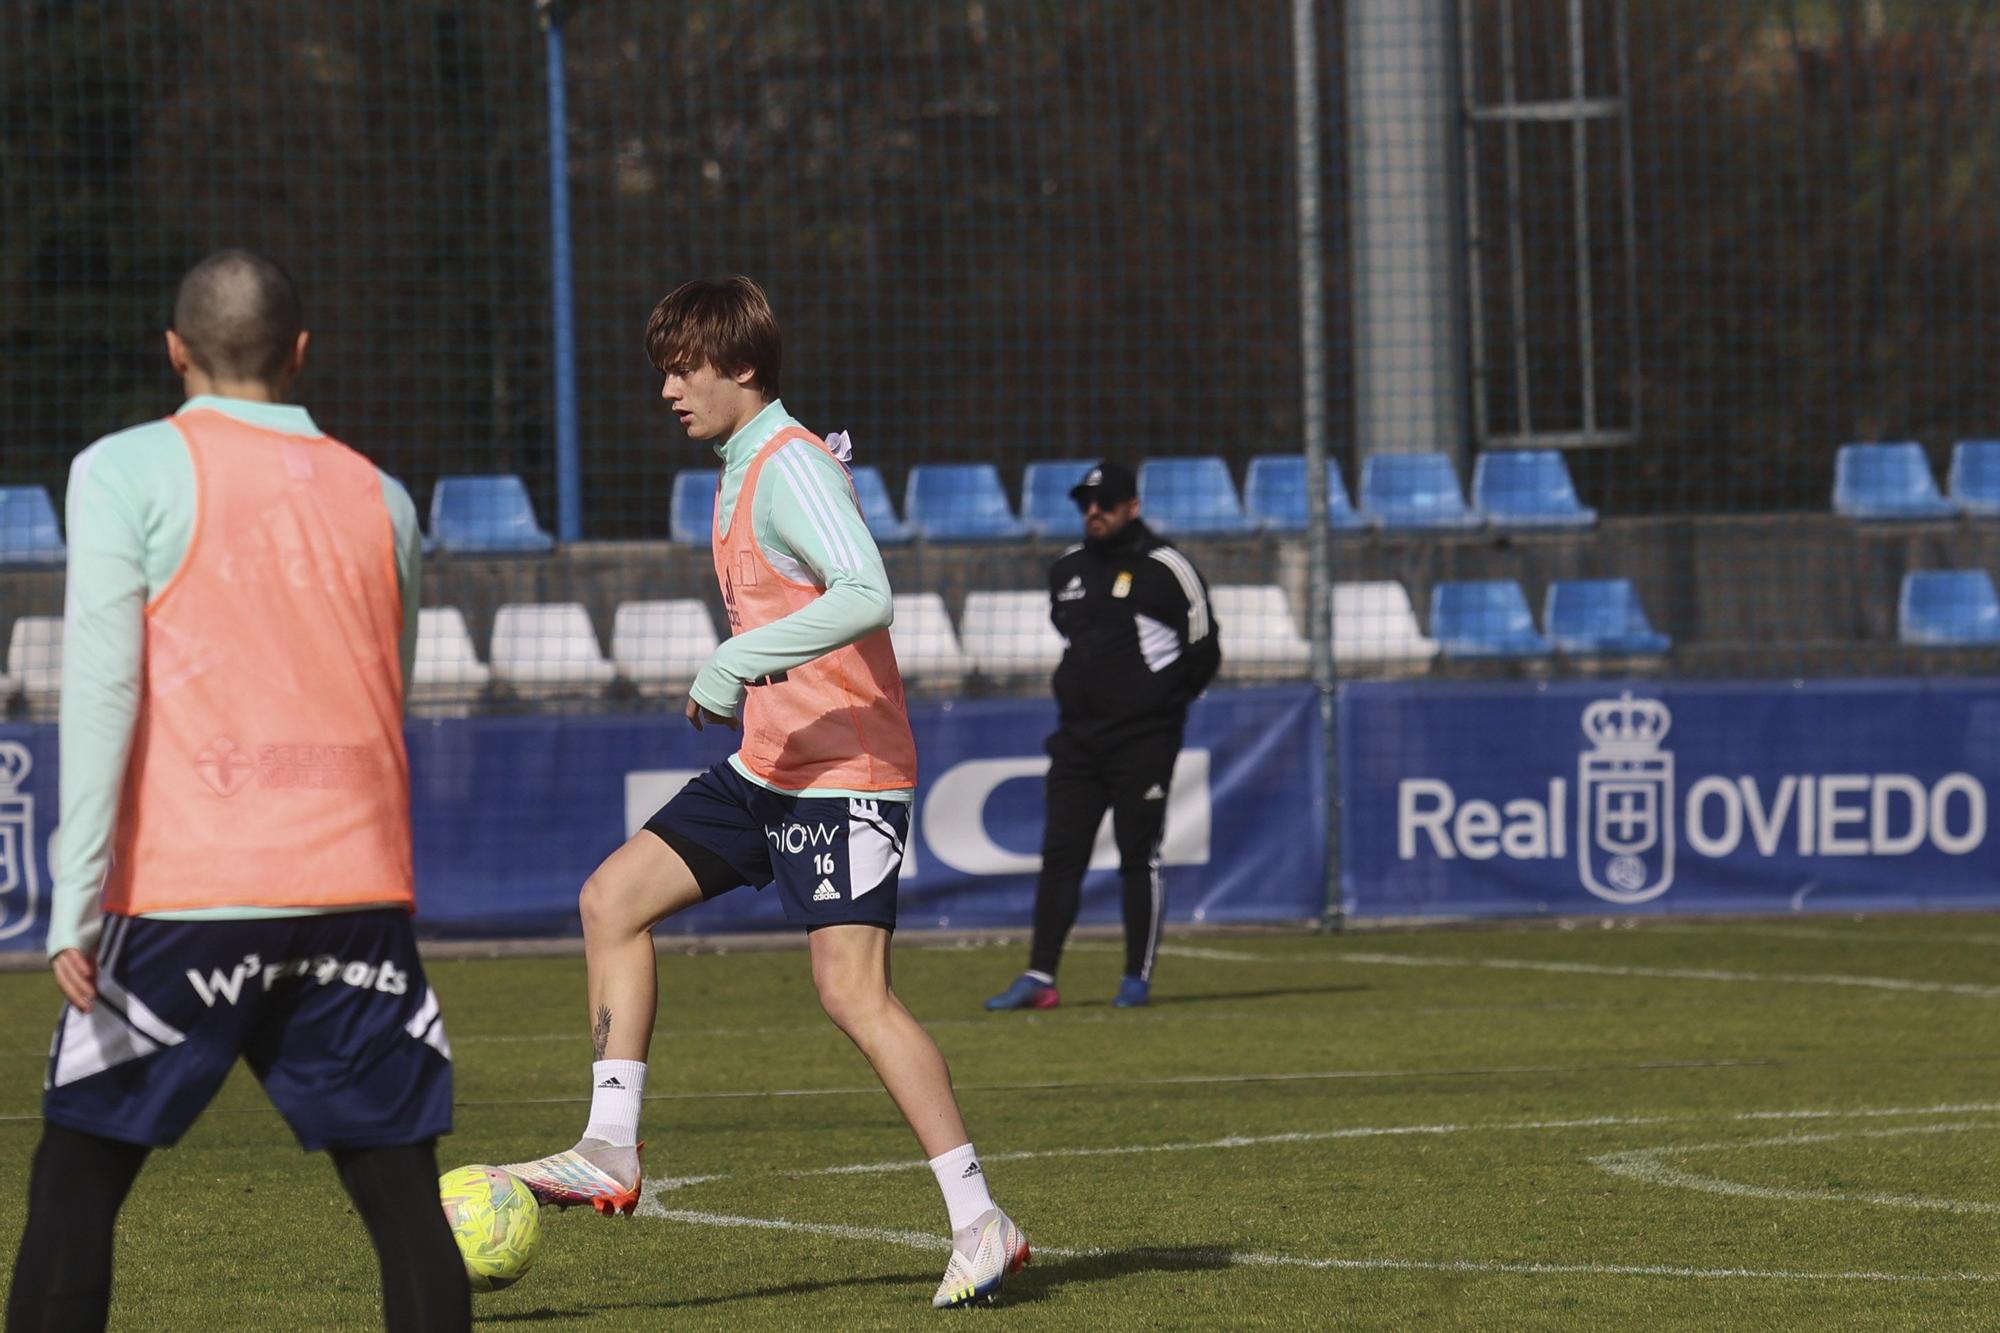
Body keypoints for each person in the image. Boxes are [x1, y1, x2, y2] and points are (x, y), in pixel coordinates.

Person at [501, 277, 1029, 1310]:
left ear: (740, 366)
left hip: (846, 773)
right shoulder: (746, 462)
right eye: (662, 366)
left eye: (682, 366)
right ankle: (609, 1145)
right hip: (770, 766)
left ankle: (980, 1219)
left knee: (851, 993)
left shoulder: (787, 466)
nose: (666, 387)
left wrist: (736, 659)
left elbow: (867, 590)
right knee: (610, 899)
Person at [5, 250, 466, 1331]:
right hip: (354, 889)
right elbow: (382, 682)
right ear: (300, 352)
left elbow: (104, 686)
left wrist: (74, 900)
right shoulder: (381, 494)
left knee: (76, 1185)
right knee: (400, 1200)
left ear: (175, 353)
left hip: (186, 894)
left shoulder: (122, 469)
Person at [985, 460, 1220, 1012]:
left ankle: (1135, 978)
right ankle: (1040, 975)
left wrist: (1159, 710)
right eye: (1086, 504)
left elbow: (1204, 650)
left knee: (1140, 855)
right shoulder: (1067, 568)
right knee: (1060, 855)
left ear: (1131, 507)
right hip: (1077, 739)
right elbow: (1074, 637)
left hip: (1144, 740)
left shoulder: (1168, 568)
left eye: (1105, 503)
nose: (1093, 512)